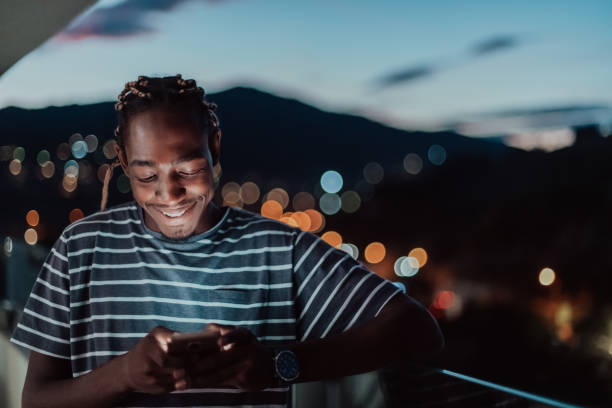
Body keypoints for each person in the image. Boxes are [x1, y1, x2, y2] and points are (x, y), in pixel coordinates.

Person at [10, 74, 443, 408]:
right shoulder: (80, 248)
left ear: (214, 147)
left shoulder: (279, 250)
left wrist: (277, 364)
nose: (170, 193)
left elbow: (417, 329)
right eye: (146, 175)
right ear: (123, 161)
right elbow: (36, 400)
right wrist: (123, 374)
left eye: (189, 168)